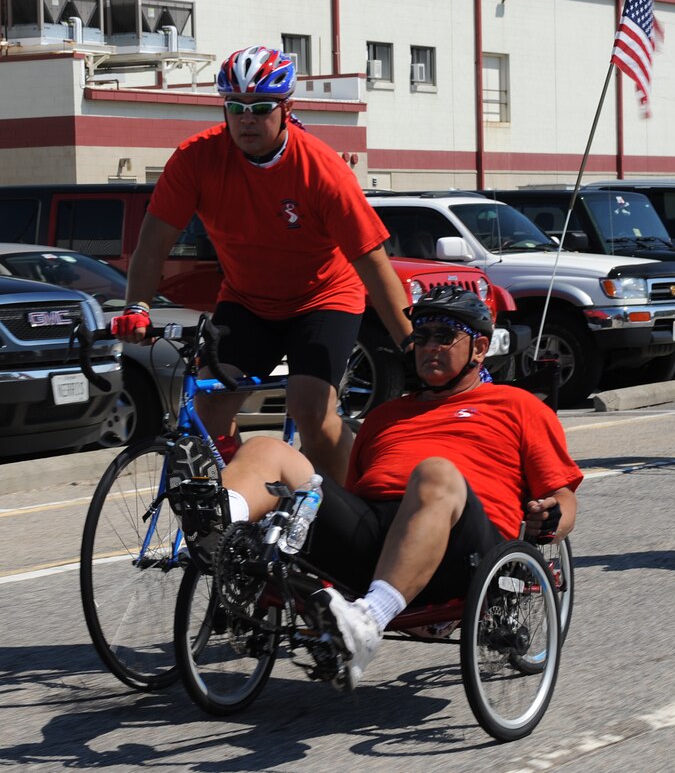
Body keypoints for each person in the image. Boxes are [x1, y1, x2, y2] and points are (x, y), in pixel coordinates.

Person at [203, 285, 581, 691]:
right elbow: (351, 491)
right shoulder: (384, 416)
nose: (428, 346)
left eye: (443, 336)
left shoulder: (517, 405)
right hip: (375, 542)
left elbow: (564, 498)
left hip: (464, 548)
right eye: (420, 336)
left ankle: (368, 622)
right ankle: (215, 530)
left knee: (434, 472)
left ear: (479, 347)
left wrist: (553, 515)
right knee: (268, 449)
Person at [111, 44, 411, 483]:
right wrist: (136, 305)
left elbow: (372, 263)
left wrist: (411, 346)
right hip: (248, 300)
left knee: (311, 412)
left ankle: (363, 507)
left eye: (261, 107)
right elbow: (153, 241)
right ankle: (243, 505)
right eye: (235, 107)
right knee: (208, 408)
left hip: (323, 297)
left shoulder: (321, 170)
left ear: (286, 108)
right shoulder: (196, 159)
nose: (246, 118)